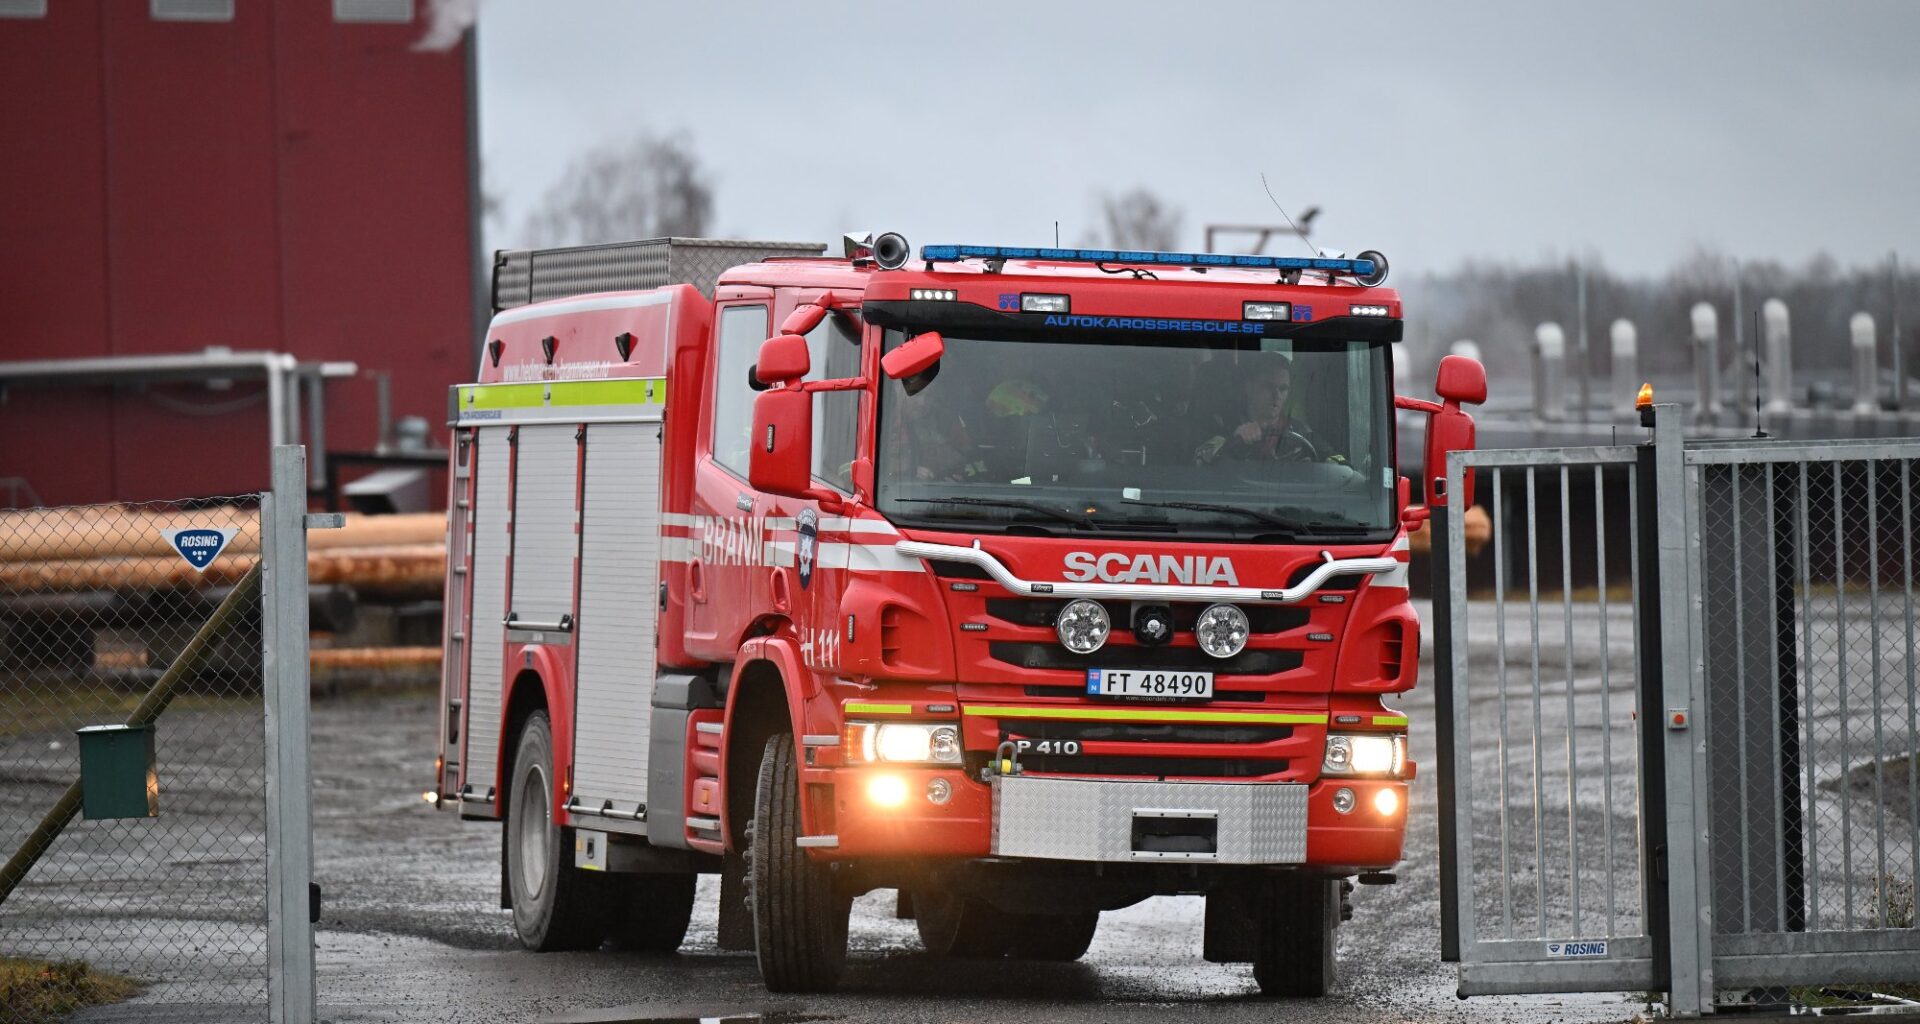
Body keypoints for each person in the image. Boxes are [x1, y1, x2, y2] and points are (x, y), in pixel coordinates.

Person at [1193, 353, 1325, 464]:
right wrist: (1232, 442)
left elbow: (1338, 461)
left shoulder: (1301, 430)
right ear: (1248, 387)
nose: (1277, 395)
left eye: (1283, 389)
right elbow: (1199, 460)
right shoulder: (1224, 425)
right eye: (1268, 386)